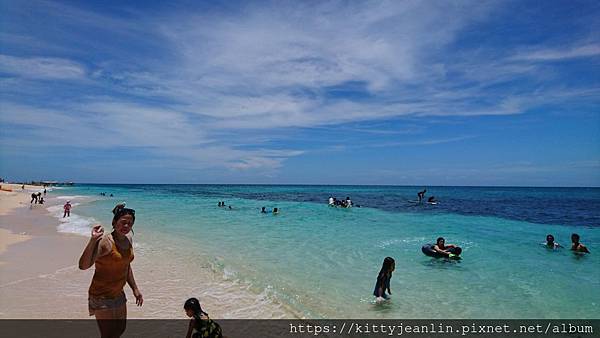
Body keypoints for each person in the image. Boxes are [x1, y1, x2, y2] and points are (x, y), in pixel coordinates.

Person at [79, 203, 143, 338]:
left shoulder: (128, 240)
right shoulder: (105, 242)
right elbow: (83, 266)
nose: (126, 226)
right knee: (108, 335)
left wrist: (135, 289)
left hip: (118, 293)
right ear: (114, 222)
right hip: (101, 295)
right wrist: (93, 241)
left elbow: (126, 265)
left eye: (130, 224)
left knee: (120, 330)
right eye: (123, 222)